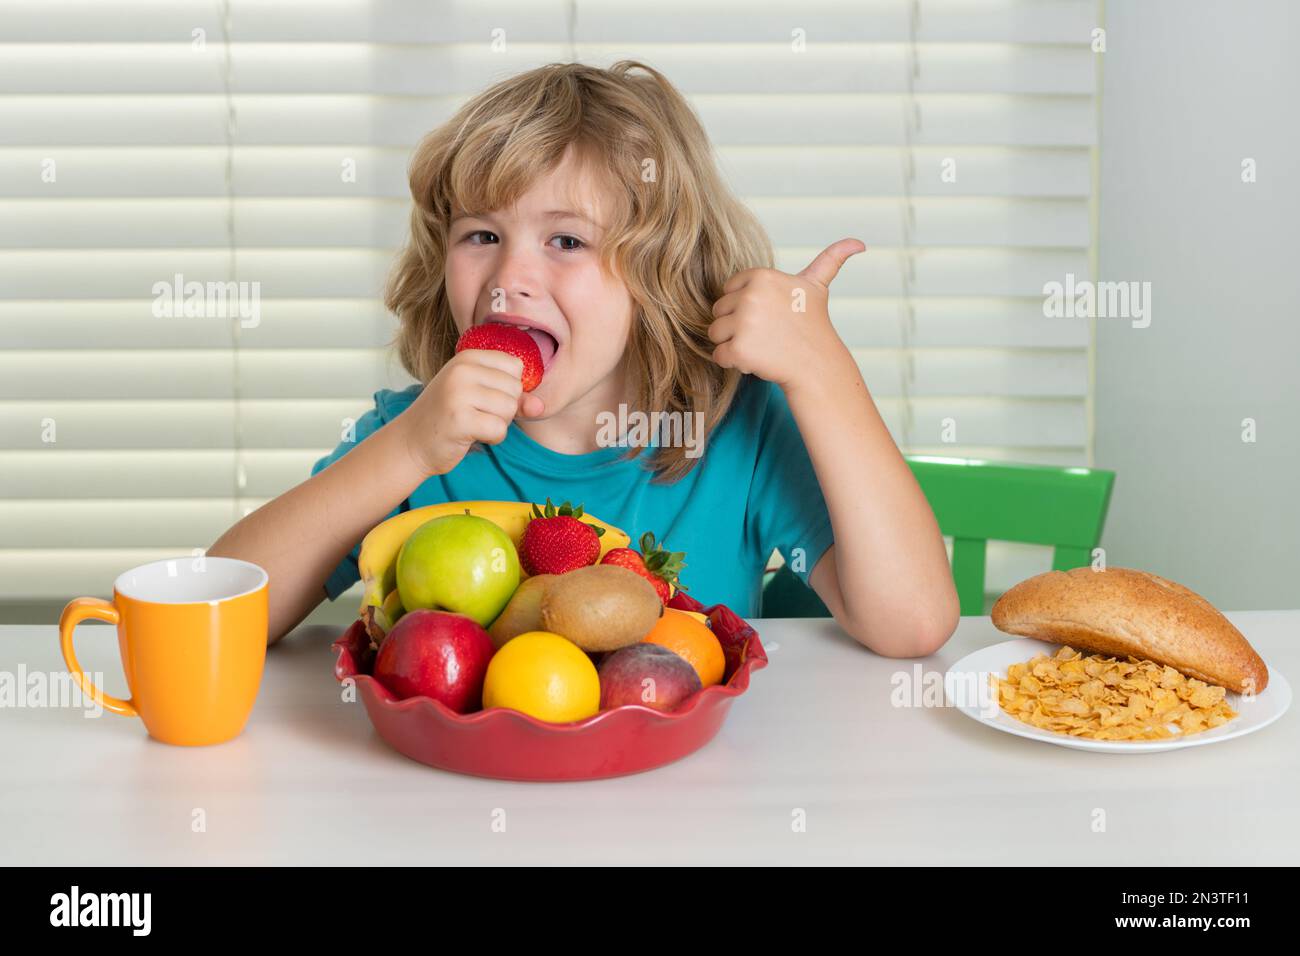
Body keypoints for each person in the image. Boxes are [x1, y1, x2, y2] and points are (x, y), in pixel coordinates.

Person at [208, 61, 958, 653]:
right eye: (481, 235)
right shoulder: (411, 435)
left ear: (659, 273)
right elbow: (219, 612)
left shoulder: (735, 429)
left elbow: (914, 624)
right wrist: (404, 450)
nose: (509, 279)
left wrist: (821, 370)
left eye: (566, 241)